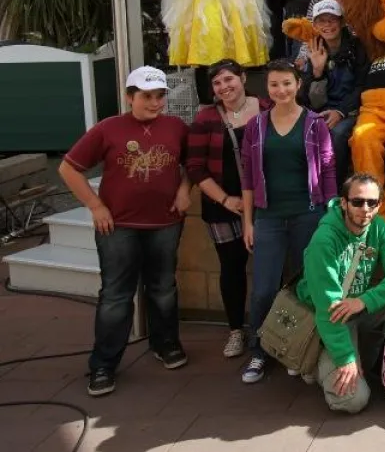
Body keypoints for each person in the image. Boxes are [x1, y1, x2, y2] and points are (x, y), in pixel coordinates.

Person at [60, 66, 190, 397]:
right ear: (130, 97)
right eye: (147, 96)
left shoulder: (176, 127)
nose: (155, 102)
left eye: (160, 96)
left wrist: (184, 188)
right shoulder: (108, 129)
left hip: (165, 223)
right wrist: (95, 205)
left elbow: (191, 165)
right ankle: (104, 363)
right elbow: (68, 168)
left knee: (163, 288)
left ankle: (166, 343)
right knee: (116, 295)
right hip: (118, 227)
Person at [240, 60, 339, 384]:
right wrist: (248, 221)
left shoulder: (314, 124)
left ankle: (297, 349)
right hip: (268, 217)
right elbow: (248, 178)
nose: (281, 90)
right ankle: (259, 351)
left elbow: (328, 170)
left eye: (287, 83)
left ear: (298, 85)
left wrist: (330, 216)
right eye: (274, 84)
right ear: (266, 89)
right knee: (263, 289)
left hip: (307, 215)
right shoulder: (256, 126)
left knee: (304, 288)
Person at [298, 173, 385, 413]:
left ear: (379, 205)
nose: (365, 209)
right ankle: (318, 366)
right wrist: (345, 358)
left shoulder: (378, 227)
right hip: (326, 321)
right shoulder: (324, 240)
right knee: (353, 401)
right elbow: (328, 310)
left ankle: (366, 355)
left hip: (356, 310)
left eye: (372, 203)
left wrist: (364, 300)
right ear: (344, 203)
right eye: (357, 202)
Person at [187, 60, 271, 360]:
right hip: (223, 207)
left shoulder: (267, 108)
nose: (224, 87)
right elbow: (195, 167)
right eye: (217, 83)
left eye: (229, 79)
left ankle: (273, 332)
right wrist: (225, 200)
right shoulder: (206, 118)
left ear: (243, 78)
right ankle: (236, 329)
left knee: (271, 269)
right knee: (232, 268)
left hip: (265, 205)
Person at [298, 0, 367, 184]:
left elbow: (362, 85)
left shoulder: (357, 47)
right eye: (321, 21)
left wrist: (340, 111)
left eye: (332, 20)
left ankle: (335, 187)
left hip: (352, 110)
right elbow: (310, 100)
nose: (327, 25)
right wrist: (317, 72)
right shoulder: (313, 48)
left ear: (342, 22)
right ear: (315, 25)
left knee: (337, 134)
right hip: (322, 109)